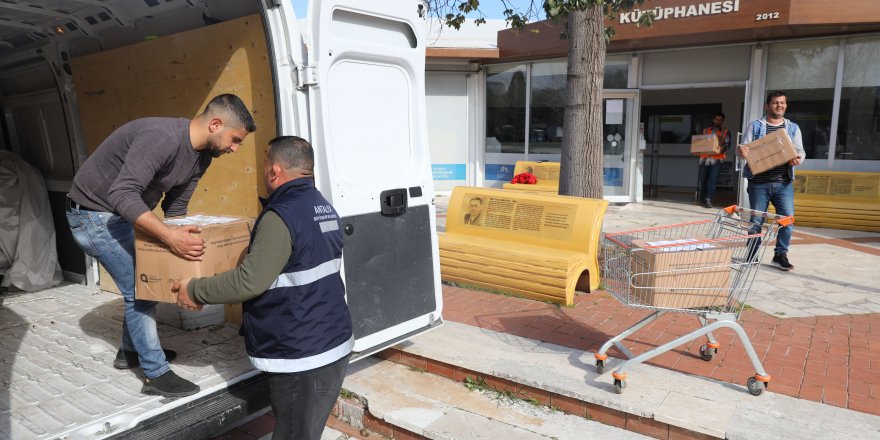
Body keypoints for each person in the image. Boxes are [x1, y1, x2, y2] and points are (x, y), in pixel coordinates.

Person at [66, 94, 256, 397]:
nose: (234, 149)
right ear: (215, 124)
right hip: (93, 216)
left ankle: (129, 352)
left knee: (147, 284)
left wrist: (184, 248)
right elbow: (122, 193)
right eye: (234, 140)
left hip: (120, 214)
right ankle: (154, 374)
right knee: (139, 290)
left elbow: (177, 208)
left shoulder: (203, 156)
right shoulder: (162, 138)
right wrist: (169, 237)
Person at [174, 136, 353, 440]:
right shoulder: (322, 206)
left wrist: (194, 289)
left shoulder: (280, 216)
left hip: (301, 355)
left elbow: (249, 281)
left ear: (275, 171)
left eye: (265, 163)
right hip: (332, 342)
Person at [737, 91, 805, 271]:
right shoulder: (756, 126)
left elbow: (800, 151)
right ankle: (752, 254)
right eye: (775, 102)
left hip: (784, 183)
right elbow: (743, 149)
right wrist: (741, 152)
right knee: (757, 221)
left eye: (782, 102)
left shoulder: (792, 128)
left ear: (786, 105)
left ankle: (780, 254)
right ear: (767, 106)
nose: (779, 105)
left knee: (787, 220)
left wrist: (798, 158)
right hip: (759, 183)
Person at [698, 112, 731, 208]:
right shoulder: (705, 130)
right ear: (713, 120)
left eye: (720, 120)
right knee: (703, 180)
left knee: (713, 180)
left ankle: (709, 199)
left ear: (723, 121)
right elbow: (699, 142)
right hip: (704, 159)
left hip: (717, 159)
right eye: (716, 119)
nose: (718, 121)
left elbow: (727, 145)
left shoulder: (725, 131)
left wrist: (720, 149)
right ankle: (703, 197)